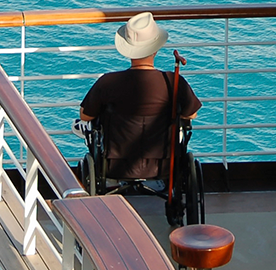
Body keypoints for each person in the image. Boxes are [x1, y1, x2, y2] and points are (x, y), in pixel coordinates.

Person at [79, 12, 201, 181]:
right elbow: (191, 114)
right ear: (156, 50)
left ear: (129, 51)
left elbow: (85, 115)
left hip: (115, 166)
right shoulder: (172, 82)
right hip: (165, 165)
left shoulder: (107, 82)